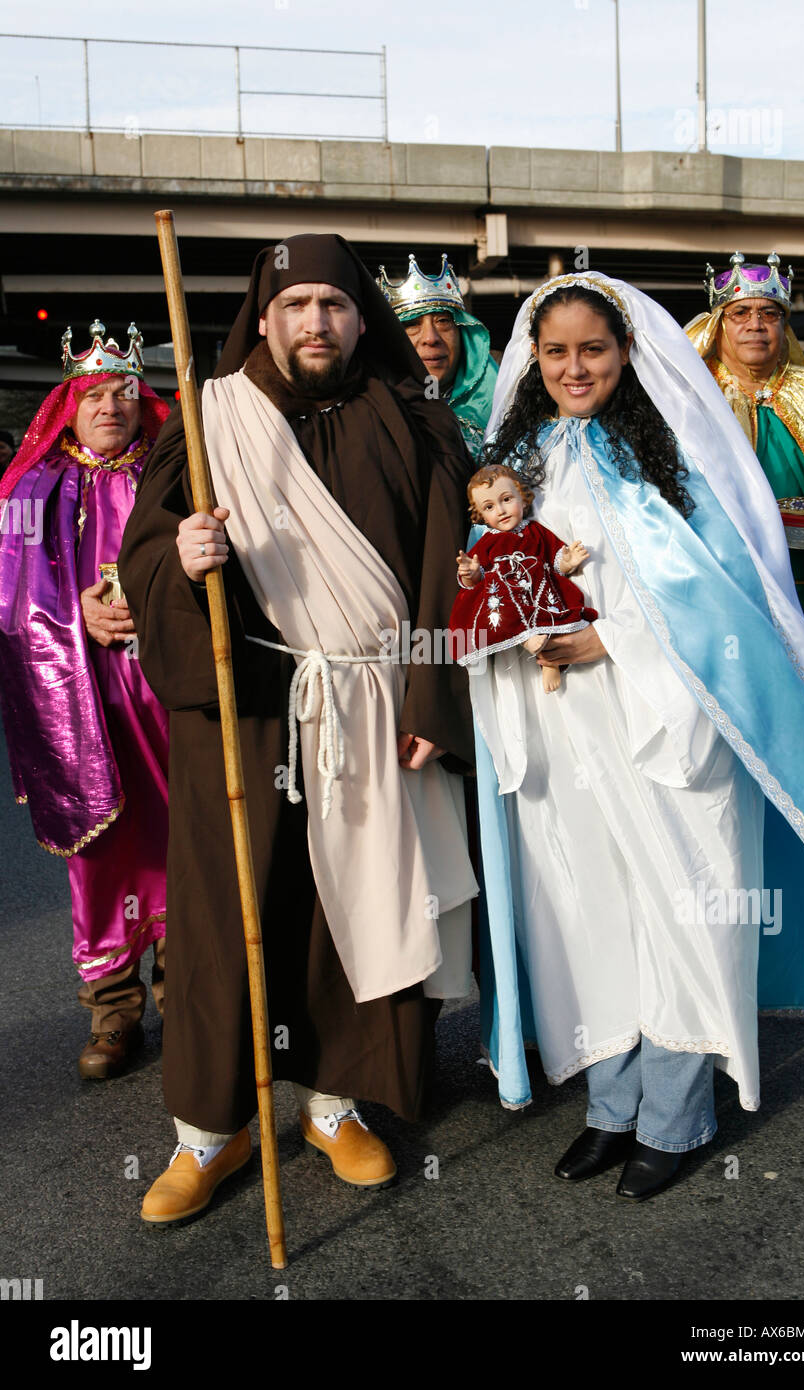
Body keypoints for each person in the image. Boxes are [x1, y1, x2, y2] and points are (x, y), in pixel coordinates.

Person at [472, 271, 804, 1201]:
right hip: (568, 725)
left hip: (674, 714)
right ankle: (612, 1106)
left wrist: (608, 634)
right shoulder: (518, 455)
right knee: (592, 909)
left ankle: (678, 1112)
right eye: (556, 351)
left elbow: (731, 592)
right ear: (535, 358)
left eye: (593, 350)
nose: (574, 367)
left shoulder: (680, 451)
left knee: (681, 904)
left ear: (627, 353)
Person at [118, 233, 478, 1224]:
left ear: (363, 317)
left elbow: (449, 572)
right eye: (295, 305)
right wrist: (179, 557)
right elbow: (142, 553)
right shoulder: (204, 420)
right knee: (226, 915)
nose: (314, 321)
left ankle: (334, 1103)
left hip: (370, 704)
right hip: (242, 710)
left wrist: (429, 702)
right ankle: (212, 1132)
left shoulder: (413, 423)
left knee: (353, 908)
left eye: (333, 304)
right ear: (263, 316)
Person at [0, 321, 170, 1078]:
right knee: (100, 851)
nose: (110, 407)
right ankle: (113, 1010)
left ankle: (188, 992)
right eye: (94, 394)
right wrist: (80, 614)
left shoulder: (174, 474)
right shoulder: (32, 490)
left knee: (181, 839)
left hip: (169, 694)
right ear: (68, 404)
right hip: (84, 704)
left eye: (123, 394)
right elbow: (9, 601)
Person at [685, 252, 804, 733]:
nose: (756, 325)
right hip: (731, 596)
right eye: (740, 313)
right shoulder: (694, 397)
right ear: (718, 325)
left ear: (783, 326)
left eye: (769, 314)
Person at [449, 463, 596, 692]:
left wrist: (568, 560)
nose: (501, 510)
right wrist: (471, 572)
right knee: (502, 604)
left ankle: (549, 662)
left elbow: (554, 557)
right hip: (508, 591)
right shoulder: (488, 541)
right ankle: (529, 642)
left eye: (506, 499)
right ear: (481, 514)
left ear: (522, 497)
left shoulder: (535, 530)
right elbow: (475, 582)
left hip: (537, 585)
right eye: (489, 507)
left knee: (553, 612)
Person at [377, 253, 499, 458]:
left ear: (463, 333)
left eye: (443, 321)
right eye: (412, 325)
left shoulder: (507, 404)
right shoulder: (372, 413)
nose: (431, 338)